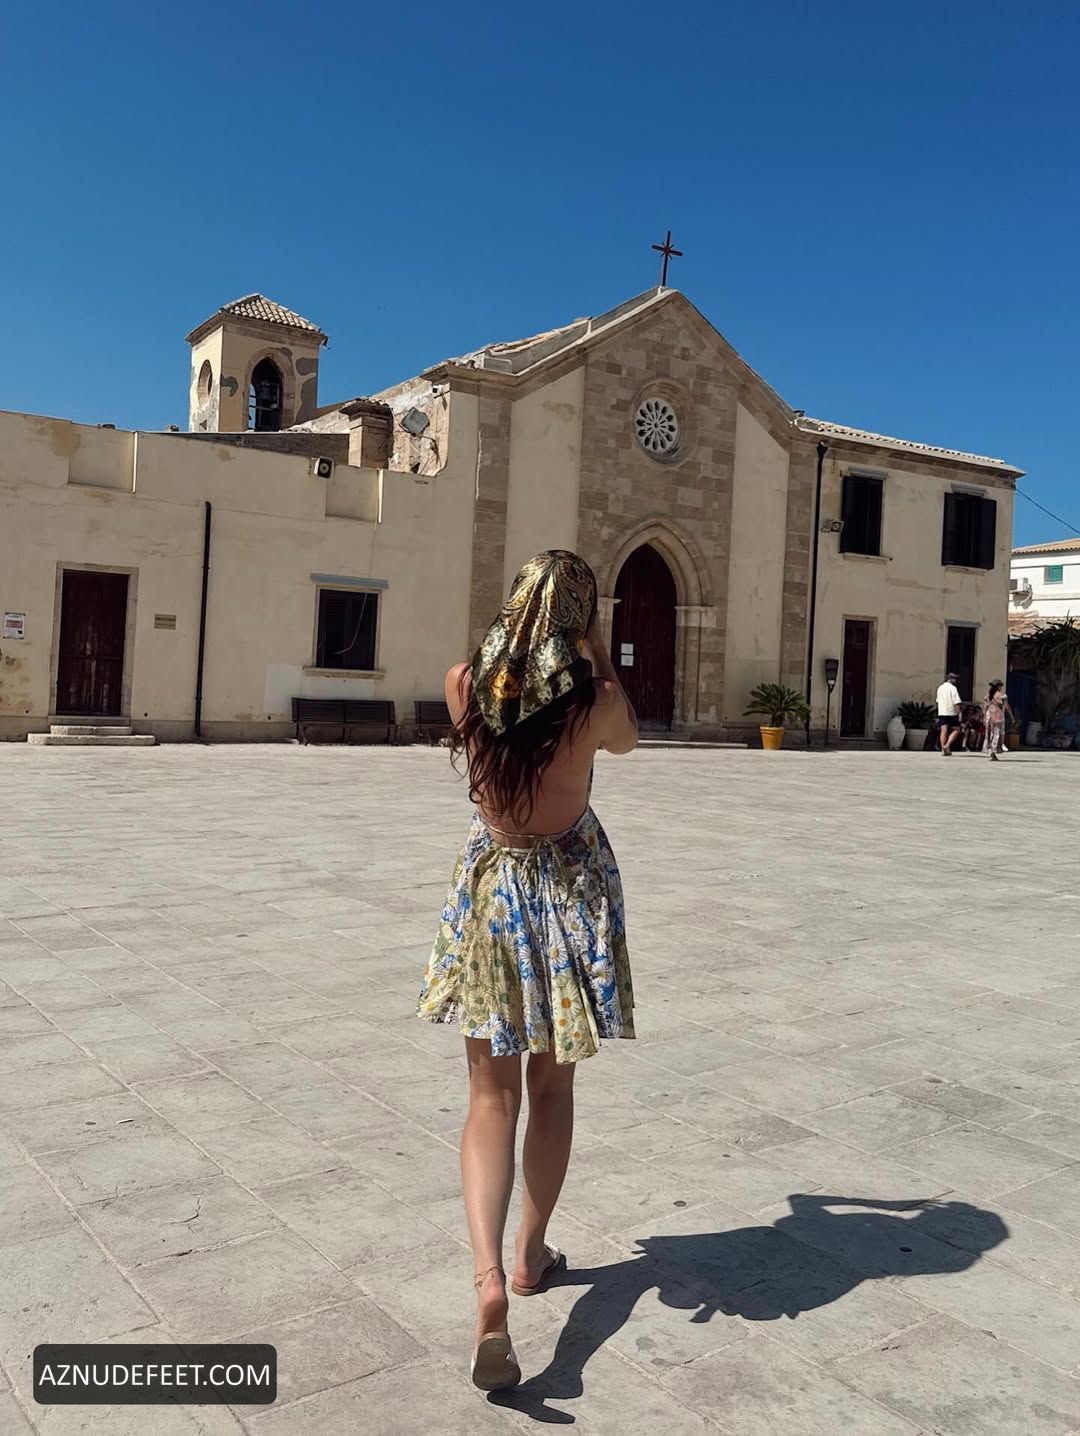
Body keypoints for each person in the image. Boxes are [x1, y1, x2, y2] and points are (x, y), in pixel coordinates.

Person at [416, 550, 638, 1392]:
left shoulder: (463, 685)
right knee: (551, 1091)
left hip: (495, 899)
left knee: (489, 1100)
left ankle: (487, 1282)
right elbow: (630, 740)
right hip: (566, 900)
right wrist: (598, 650)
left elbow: (498, 673)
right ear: (579, 618)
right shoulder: (595, 703)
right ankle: (530, 1254)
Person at [983, 679, 1014, 761]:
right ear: (999, 686)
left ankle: (989, 750)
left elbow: (985, 707)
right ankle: (993, 751)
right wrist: (1012, 717)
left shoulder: (988, 695)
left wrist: (984, 716)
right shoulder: (1002, 695)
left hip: (989, 715)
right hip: (997, 715)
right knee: (996, 734)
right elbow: (1007, 707)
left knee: (989, 734)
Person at [936, 670, 963, 755]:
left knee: (943, 730)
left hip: (942, 711)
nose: (955, 680)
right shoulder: (953, 688)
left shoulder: (940, 688)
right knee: (957, 729)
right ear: (950, 679)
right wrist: (959, 712)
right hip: (951, 712)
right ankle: (947, 745)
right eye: (954, 679)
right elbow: (957, 702)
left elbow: (937, 700)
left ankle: (943, 749)